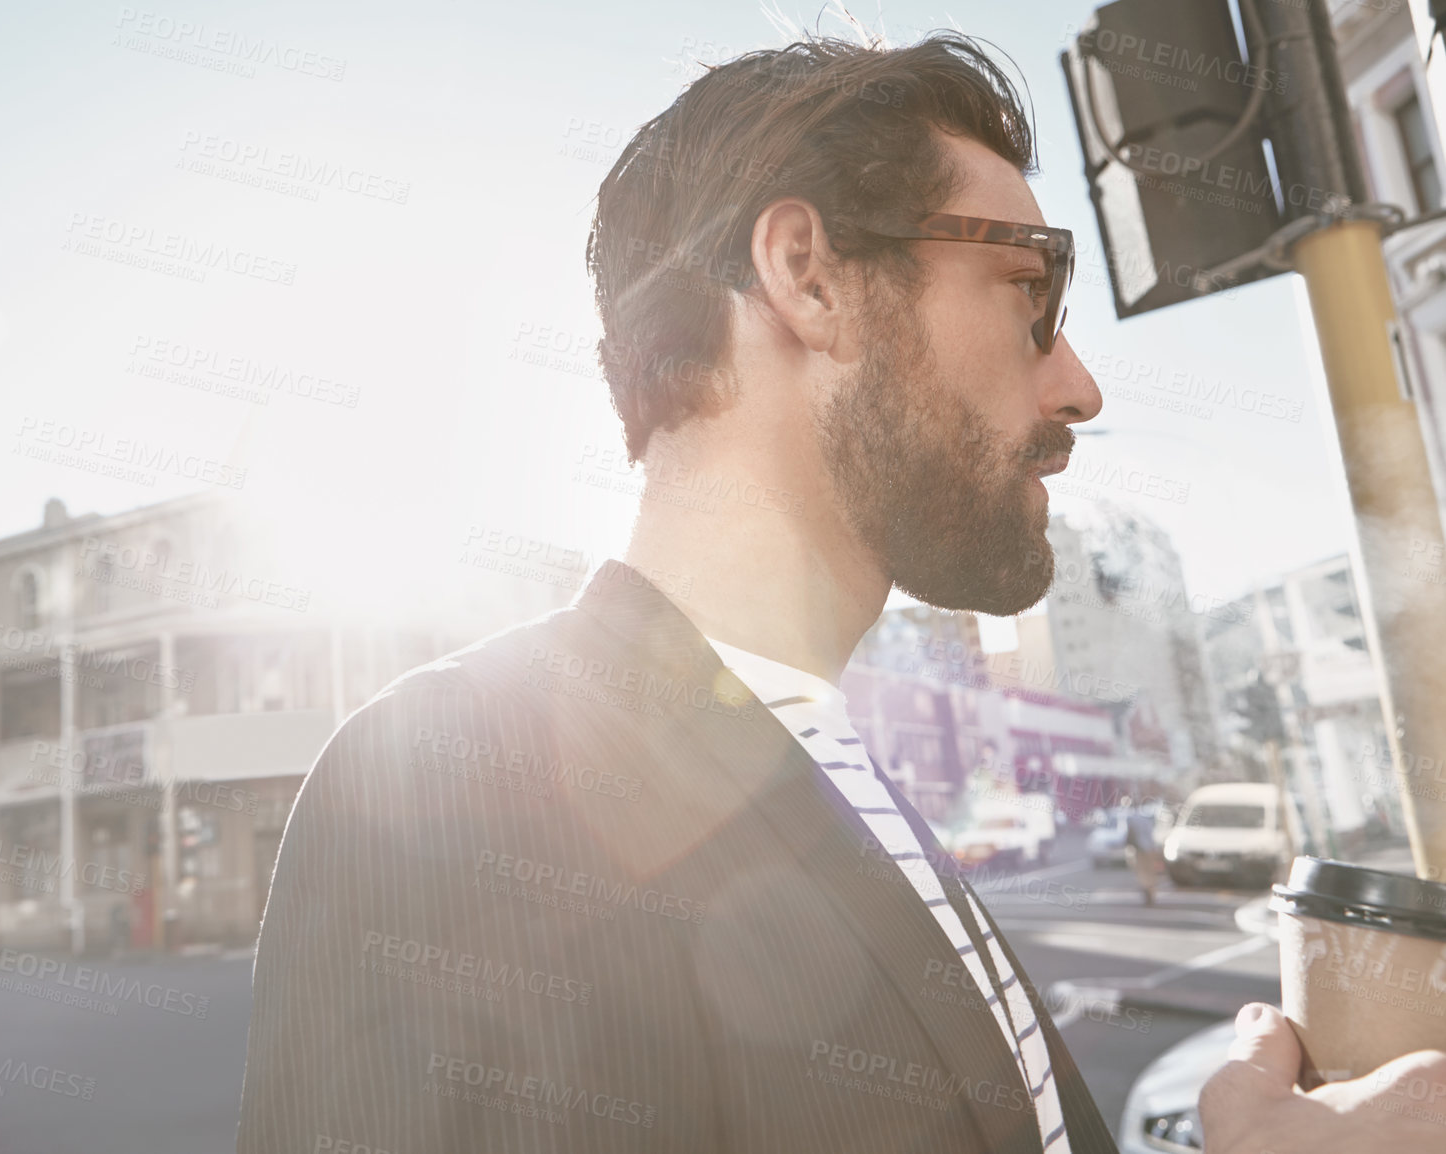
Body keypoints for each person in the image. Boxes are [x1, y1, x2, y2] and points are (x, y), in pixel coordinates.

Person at [235, 30, 1444, 1154]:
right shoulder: (456, 781)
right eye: (1028, 292)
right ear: (808, 275)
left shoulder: (826, 763)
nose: (1078, 387)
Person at [1123, 803, 1161, 905]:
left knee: (1142, 871)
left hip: (1140, 849)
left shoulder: (1131, 819)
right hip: (1150, 847)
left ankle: (1147, 890)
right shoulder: (1147, 818)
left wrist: (1127, 844)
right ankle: (1152, 892)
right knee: (1150, 871)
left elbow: (1130, 835)